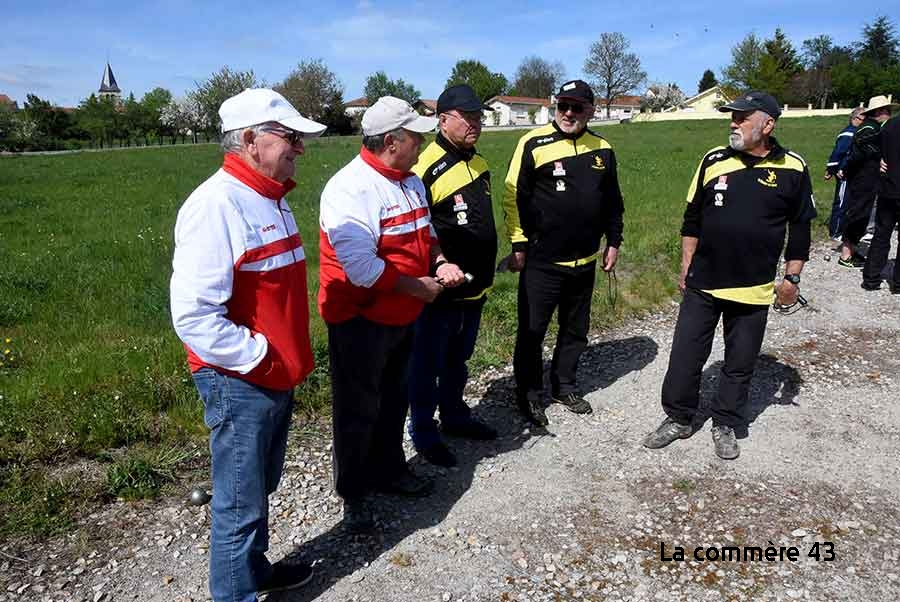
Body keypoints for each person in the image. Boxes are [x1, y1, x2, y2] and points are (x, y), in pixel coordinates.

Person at [170, 88, 325, 601]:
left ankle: (253, 572)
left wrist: (279, 361)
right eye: (290, 137)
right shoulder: (215, 205)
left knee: (260, 487)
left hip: (273, 373)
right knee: (239, 502)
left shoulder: (270, 197)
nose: (300, 148)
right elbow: (193, 316)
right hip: (240, 379)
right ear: (249, 140)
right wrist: (261, 356)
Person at [643, 91, 816, 460]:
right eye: (731, 117)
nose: (733, 123)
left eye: (742, 117)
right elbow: (692, 218)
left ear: (767, 124)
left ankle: (725, 422)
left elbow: (800, 229)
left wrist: (792, 278)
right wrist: (686, 264)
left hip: (754, 287)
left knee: (739, 362)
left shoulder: (794, 167)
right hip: (703, 282)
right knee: (686, 357)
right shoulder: (713, 160)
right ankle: (679, 418)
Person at [318, 96, 465, 533]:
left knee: (393, 397)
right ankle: (354, 492)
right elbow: (359, 268)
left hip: (403, 312)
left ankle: (389, 469)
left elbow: (427, 231)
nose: (422, 143)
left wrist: (439, 263)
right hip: (359, 318)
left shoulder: (410, 180)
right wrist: (418, 286)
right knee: (357, 406)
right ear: (390, 141)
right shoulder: (350, 188)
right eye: (415, 136)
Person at [502, 79, 624, 426]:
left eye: (577, 107)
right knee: (532, 333)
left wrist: (613, 241)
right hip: (543, 261)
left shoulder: (603, 148)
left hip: (584, 260)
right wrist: (519, 243)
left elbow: (613, 201)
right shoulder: (533, 142)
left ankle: (564, 385)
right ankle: (529, 394)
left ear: (591, 111)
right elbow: (513, 196)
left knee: (575, 331)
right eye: (563, 106)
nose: (569, 113)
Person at [406, 84, 499, 467]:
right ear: (442, 120)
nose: (477, 123)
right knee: (427, 365)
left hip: (476, 286)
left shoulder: (479, 163)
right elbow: (416, 230)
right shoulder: (422, 167)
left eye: (480, 116)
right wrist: (436, 269)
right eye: (469, 117)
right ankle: (424, 434)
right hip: (440, 289)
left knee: (458, 361)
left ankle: (456, 417)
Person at [839, 95, 894, 267]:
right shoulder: (869, 128)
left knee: (862, 214)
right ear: (879, 111)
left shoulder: (874, 127)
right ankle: (846, 255)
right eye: (887, 110)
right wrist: (879, 159)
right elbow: (862, 150)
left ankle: (851, 251)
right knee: (858, 213)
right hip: (863, 179)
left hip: (868, 179)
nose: (890, 113)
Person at [862, 109, 900, 292]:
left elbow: (875, 150)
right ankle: (898, 283)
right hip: (891, 185)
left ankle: (871, 278)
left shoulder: (889, 125)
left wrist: (880, 162)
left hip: (889, 187)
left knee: (881, 234)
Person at [824, 108, 864, 239]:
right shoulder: (848, 134)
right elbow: (837, 153)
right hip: (844, 173)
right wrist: (831, 170)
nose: (864, 121)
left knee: (849, 203)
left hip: (854, 174)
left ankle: (845, 229)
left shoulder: (859, 133)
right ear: (854, 119)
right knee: (841, 202)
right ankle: (836, 232)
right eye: (862, 119)